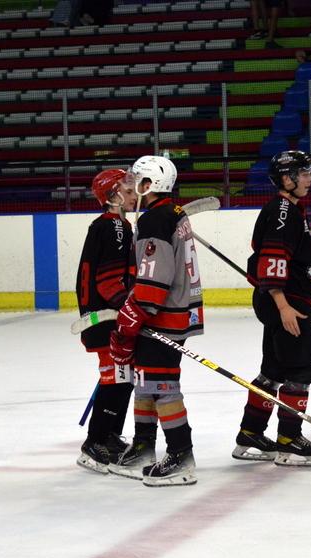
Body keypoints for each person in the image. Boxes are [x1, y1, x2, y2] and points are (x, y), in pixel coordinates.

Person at [106, 155, 204, 486]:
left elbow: (153, 280)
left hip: (163, 317)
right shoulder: (171, 214)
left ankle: (181, 455)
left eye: (138, 181)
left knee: (162, 387)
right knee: (146, 382)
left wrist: (130, 320)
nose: (134, 187)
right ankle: (144, 446)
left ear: (151, 185)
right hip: (176, 313)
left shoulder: (155, 221)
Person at [234, 151, 311, 467]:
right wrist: (283, 306)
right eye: (305, 173)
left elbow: (257, 264)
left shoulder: (288, 210)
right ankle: (289, 440)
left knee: (272, 370)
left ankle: (250, 433)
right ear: (287, 179)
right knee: (300, 369)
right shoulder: (284, 212)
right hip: (287, 304)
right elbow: (272, 260)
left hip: (284, 302)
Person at [74, 169, 138, 474]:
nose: (134, 192)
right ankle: (94, 442)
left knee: (123, 376)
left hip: (105, 316)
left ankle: (110, 436)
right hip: (107, 317)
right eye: (127, 188)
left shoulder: (116, 225)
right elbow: (109, 281)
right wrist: (130, 309)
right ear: (112, 195)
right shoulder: (114, 227)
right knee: (115, 376)